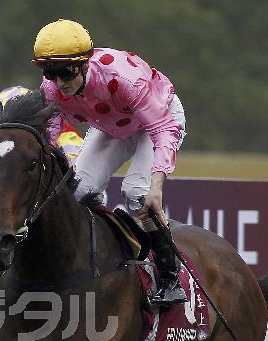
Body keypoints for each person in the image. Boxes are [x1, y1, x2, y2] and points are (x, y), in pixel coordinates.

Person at [31, 19, 187, 305]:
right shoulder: (52, 89)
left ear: (84, 63)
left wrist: (157, 185)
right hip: (113, 126)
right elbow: (49, 140)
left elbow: (162, 128)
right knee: (77, 193)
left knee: (137, 193)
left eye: (65, 73)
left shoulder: (123, 78)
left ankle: (170, 276)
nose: (59, 83)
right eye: (50, 73)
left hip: (158, 120)